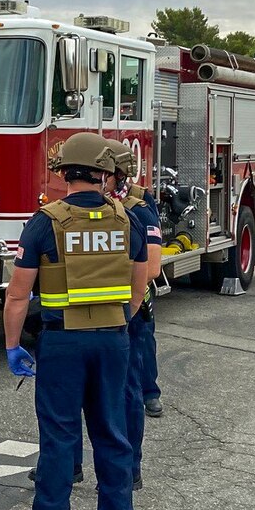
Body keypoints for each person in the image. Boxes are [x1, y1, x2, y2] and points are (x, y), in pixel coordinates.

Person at [2, 132, 149, 510]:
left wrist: (12, 345)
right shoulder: (128, 220)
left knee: (60, 439)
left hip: (62, 342)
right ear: (105, 174)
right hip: (113, 340)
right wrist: (117, 321)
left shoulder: (46, 222)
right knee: (112, 433)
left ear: (63, 172)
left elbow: (16, 294)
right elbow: (139, 287)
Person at [106, 139, 164, 488]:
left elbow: (153, 268)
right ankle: (71, 467)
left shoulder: (139, 208)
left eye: (103, 174)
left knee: (128, 394)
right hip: (96, 319)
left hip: (130, 314)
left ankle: (131, 468)